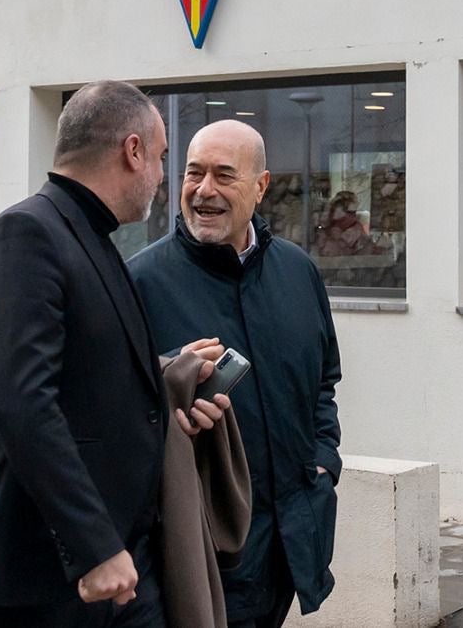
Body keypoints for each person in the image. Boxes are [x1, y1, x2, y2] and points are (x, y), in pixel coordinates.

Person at [0, 80, 230, 628]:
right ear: (131, 151)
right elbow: (22, 403)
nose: (160, 177)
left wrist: (171, 387)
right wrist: (95, 547)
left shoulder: (86, 236)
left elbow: (84, 381)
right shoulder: (25, 234)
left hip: (114, 567)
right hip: (41, 578)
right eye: (159, 159)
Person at [130, 120, 342, 628]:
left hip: (291, 538)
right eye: (193, 173)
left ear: (261, 186)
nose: (204, 191)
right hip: (201, 546)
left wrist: (323, 463)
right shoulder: (138, 283)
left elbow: (323, 383)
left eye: (224, 175)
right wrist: (171, 387)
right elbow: (114, 414)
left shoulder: (298, 272)